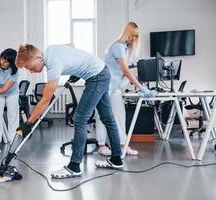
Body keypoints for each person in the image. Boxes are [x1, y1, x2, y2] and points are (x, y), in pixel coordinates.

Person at [15, 44, 124, 179]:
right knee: (107, 118)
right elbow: (71, 45)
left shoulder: (52, 65)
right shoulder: (49, 49)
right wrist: (76, 71)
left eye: (30, 68)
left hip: (96, 77)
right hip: (102, 72)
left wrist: (29, 123)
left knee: (79, 119)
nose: (31, 71)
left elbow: (45, 100)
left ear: (39, 58)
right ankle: (116, 159)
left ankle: (74, 166)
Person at [96, 22, 155, 156]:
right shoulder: (118, 46)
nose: (134, 39)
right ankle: (101, 145)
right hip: (103, 85)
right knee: (102, 115)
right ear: (126, 33)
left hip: (115, 87)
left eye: (136, 36)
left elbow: (124, 73)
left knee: (119, 115)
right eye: (132, 35)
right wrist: (142, 87)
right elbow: (125, 71)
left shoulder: (126, 49)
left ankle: (122, 145)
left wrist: (133, 82)